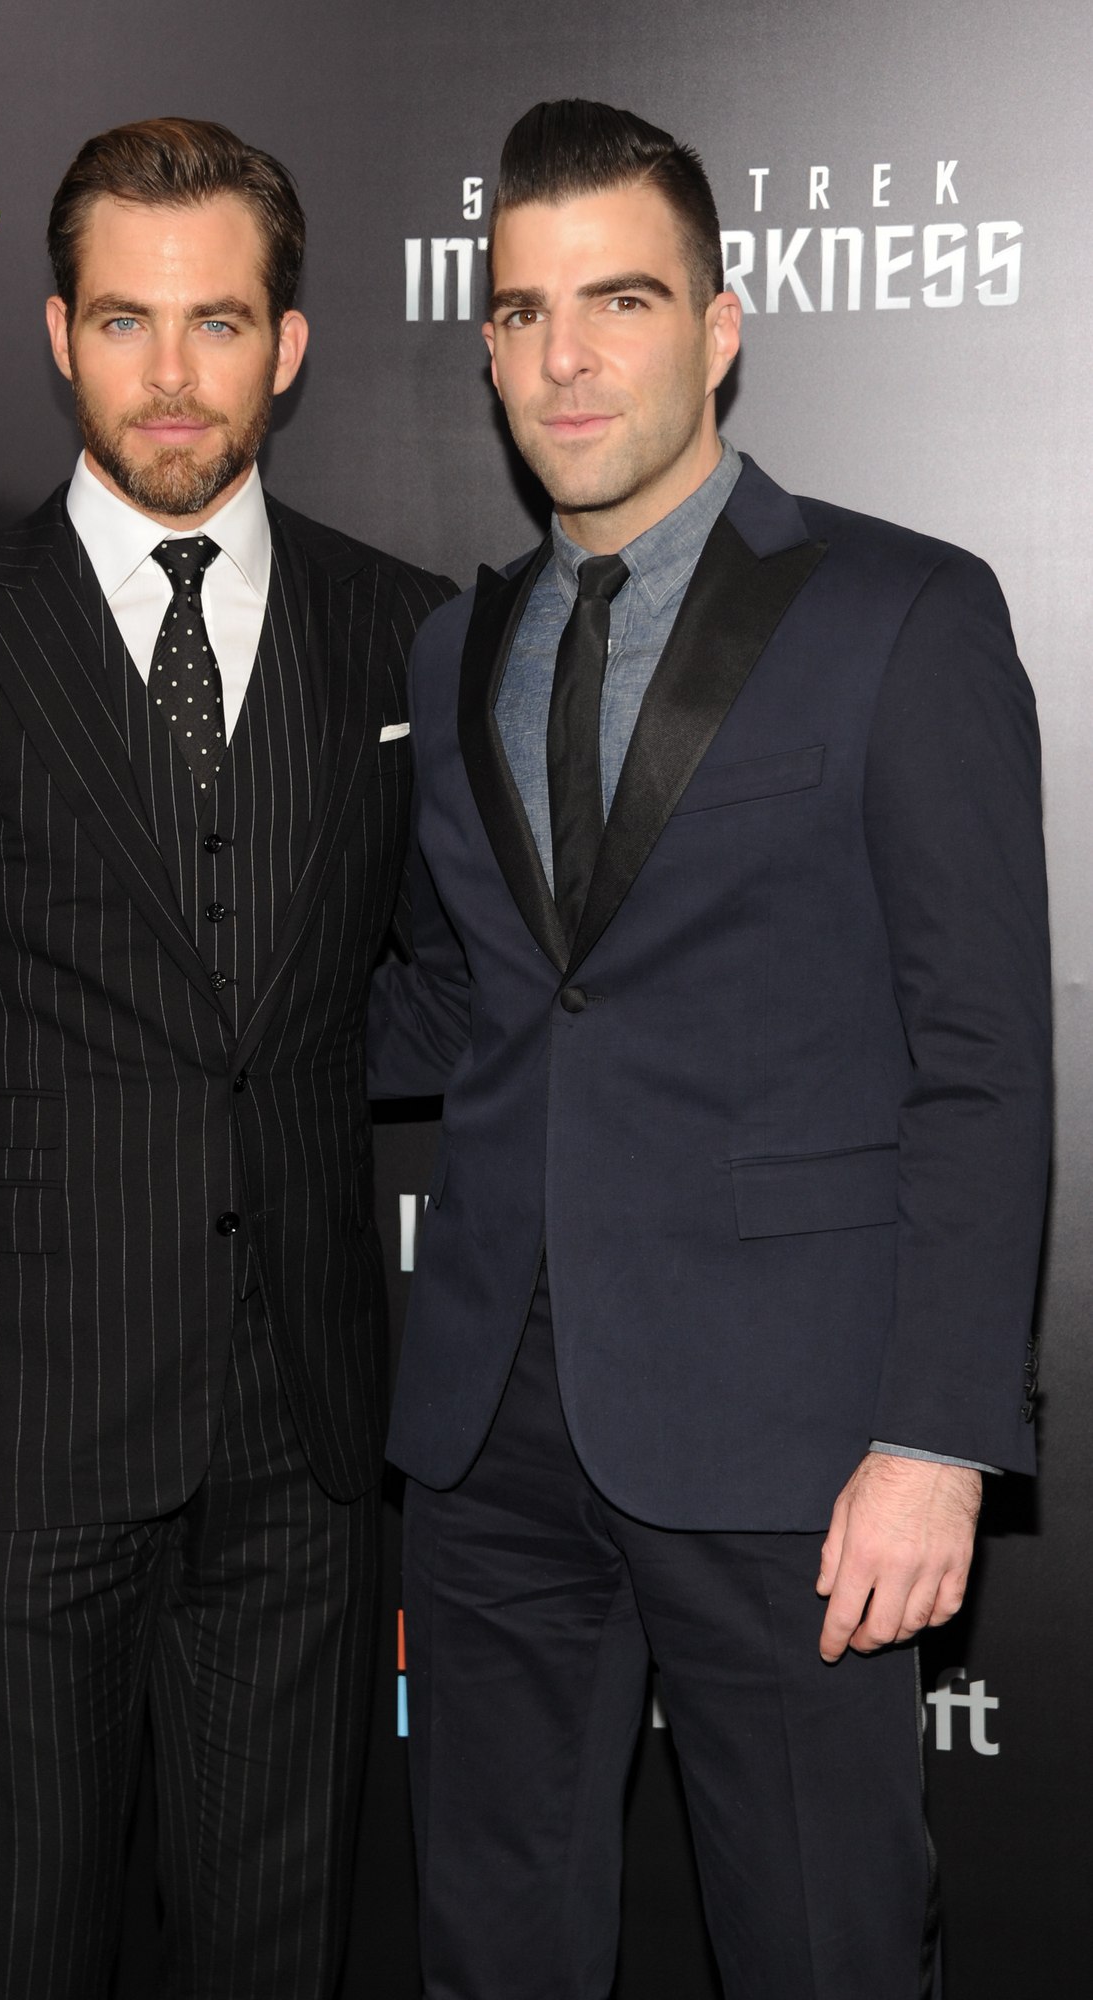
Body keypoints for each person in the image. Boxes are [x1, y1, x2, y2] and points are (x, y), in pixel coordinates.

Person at [368, 98, 1049, 1999]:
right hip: (490, 1427)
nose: (566, 358)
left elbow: (985, 1056)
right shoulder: (452, 653)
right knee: (493, 1951)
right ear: (488, 345)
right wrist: (182, 1029)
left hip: (796, 1439)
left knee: (827, 1949)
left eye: (622, 299)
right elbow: (473, 996)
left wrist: (935, 1439)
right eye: (524, 311)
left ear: (721, 325)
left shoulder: (905, 612)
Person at [0, 116, 455, 2000]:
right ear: (57, 334)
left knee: (276, 1957)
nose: (172, 374)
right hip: (12, 1444)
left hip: (302, 1444)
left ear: (288, 345)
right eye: (126, 321)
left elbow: (453, 988)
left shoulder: (400, 632)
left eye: (217, 322)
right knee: (17, 1946)